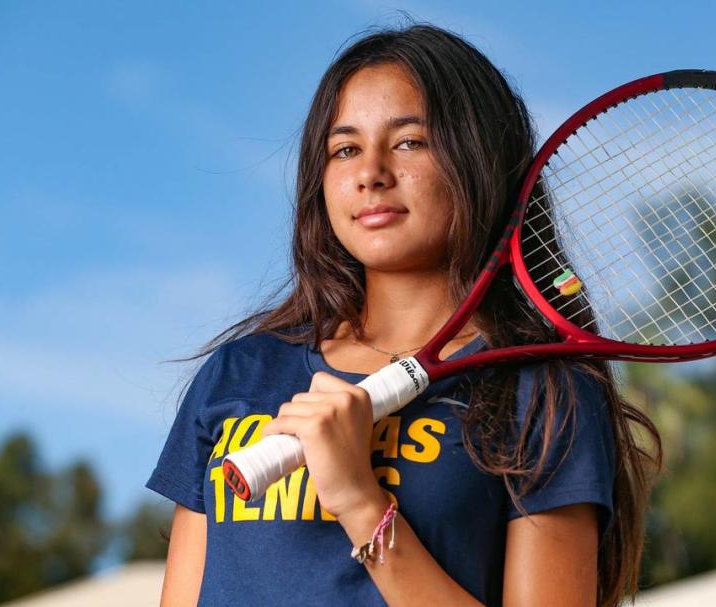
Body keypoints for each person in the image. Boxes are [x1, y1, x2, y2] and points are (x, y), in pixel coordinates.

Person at [147, 23, 660, 607]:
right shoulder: (239, 373)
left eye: (409, 142)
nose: (370, 172)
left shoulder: (543, 392)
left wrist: (361, 502)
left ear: (479, 159)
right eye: (345, 149)